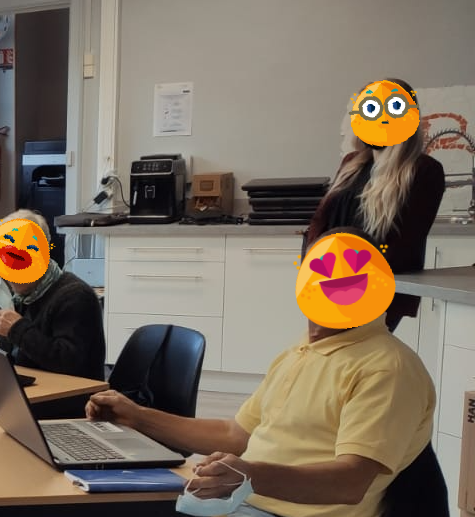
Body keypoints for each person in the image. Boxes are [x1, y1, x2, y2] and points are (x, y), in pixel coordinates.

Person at [86, 229, 434, 517]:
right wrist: (138, 417)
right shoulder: (301, 351)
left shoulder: (386, 368)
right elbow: (235, 434)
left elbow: (350, 482)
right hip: (237, 504)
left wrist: (250, 476)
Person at [306, 78, 444, 332]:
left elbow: (405, 243)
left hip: (374, 288)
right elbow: (320, 221)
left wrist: (352, 283)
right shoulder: (351, 162)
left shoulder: (424, 171)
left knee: (354, 352)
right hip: (326, 279)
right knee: (322, 352)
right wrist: (312, 268)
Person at [0, 209, 106, 381]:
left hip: (67, 391)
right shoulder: (16, 291)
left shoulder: (75, 297)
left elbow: (68, 362)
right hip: (24, 382)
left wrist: (17, 329)